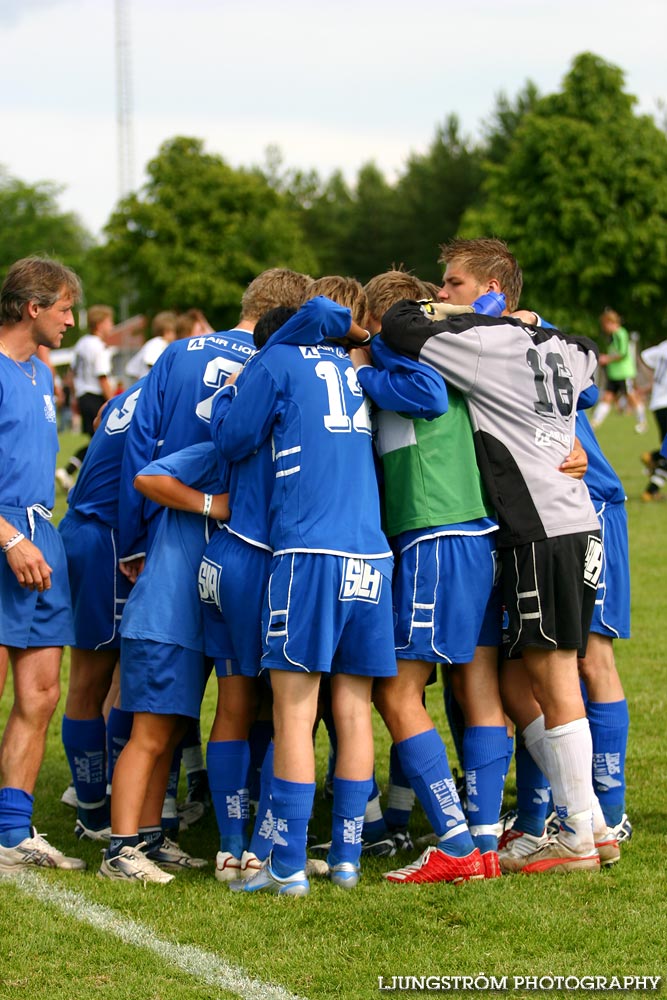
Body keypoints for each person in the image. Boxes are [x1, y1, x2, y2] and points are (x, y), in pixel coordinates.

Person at [381, 238, 606, 874]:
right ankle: (589, 822)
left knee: (555, 677)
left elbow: (399, 325)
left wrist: (473, 315)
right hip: (573, 523)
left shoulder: (486, 341)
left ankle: (579, 839)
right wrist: (531, 322)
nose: (439, 295)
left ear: (490, 292)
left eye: (450, 283)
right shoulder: (559, 344)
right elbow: (588, 355)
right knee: (523, 680)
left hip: (539, 528)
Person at [215, 296, 398, 896]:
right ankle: (346, 858)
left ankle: (287, 864)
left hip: (309, 552)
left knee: (295, 710)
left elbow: (233, 440)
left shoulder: (277, 361)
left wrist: (234, 392)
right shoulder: (352, 365)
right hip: (372, 555)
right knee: (352, 711)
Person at [0, 255, 86, 872]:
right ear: (33, 308)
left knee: (42, 692)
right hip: (4, 541)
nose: (72, 321)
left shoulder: (42, 372)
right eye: (64, 308)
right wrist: (7, 540)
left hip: (41, 538)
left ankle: (11, 832)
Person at [58, 377, 146, 842]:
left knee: (119, 676)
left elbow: (102, 419)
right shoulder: (173, 393)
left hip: (88, 530)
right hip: (104, 538)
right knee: (93, 680)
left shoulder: (135, 390)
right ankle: (92, 809)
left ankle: (99, 789)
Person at [56, 305, 116, 491]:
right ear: (99, 324)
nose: (112, 326)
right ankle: (94, 481)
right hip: (96, 397)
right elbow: (102, 376)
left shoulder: (82, 343)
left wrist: (74, 398)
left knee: (96, 441)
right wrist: (115, 402)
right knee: (106, 441)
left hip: (83, 397)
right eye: (109, 322)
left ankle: (69, 471)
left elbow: (71, 374)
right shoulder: (99, 347)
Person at [591, 308, 647, 433]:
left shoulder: (621, 333)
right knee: (607, 397)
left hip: (623, 373)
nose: (604, 328)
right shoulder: (612, 336)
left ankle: (642, 422)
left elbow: (622, 353)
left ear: (610, 322)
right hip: (614, 373)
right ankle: (595, 423)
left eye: (605, 324)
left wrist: (607, 358)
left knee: (631, 397)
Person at [639, 337, 667, 501]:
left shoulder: (664, 345)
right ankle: (651, 491)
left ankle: (654, 457)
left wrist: (654, 382)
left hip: (657, 403)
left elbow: (644, 356)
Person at [125, 311, 177, 383]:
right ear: (167, 331)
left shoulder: (164, 345)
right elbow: (150, 362)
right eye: (174, 332)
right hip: (147, 385)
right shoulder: (157, 342)